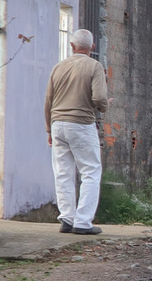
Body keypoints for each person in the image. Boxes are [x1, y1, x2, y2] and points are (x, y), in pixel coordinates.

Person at [44, 28, 109, 236]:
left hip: (57, 124)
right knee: (90, 171)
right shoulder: (94, 66)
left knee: (63, 172)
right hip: (81, 124)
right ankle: (83, 222)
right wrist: (105, 106)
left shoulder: (58, 67)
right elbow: (99, 98)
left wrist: (48, 129)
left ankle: (67, 219)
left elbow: (48, 101)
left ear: (72, 46)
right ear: (92, 47)